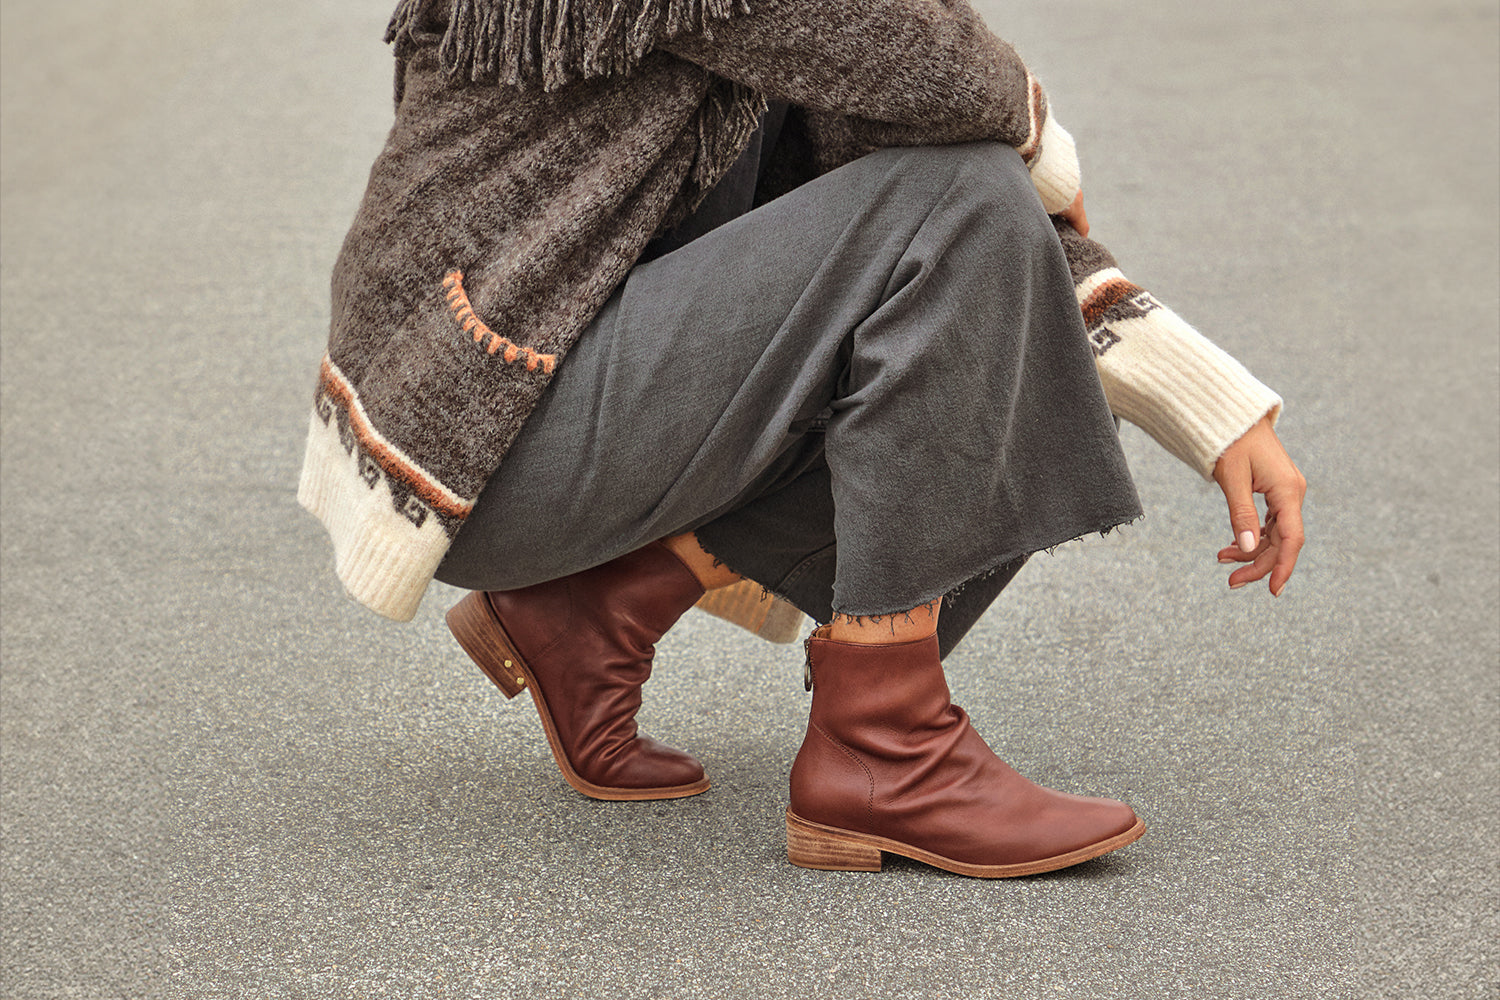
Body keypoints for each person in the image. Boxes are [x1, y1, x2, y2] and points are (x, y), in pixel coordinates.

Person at [298, 0, 1307, 878]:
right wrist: (1039, 142)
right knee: (972, 204)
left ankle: (598, 610)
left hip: (554, 401)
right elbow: (928, 88)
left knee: (1007, 323)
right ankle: (887, 747)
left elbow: (935, 184)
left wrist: (1216, 409)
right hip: (480, 419)